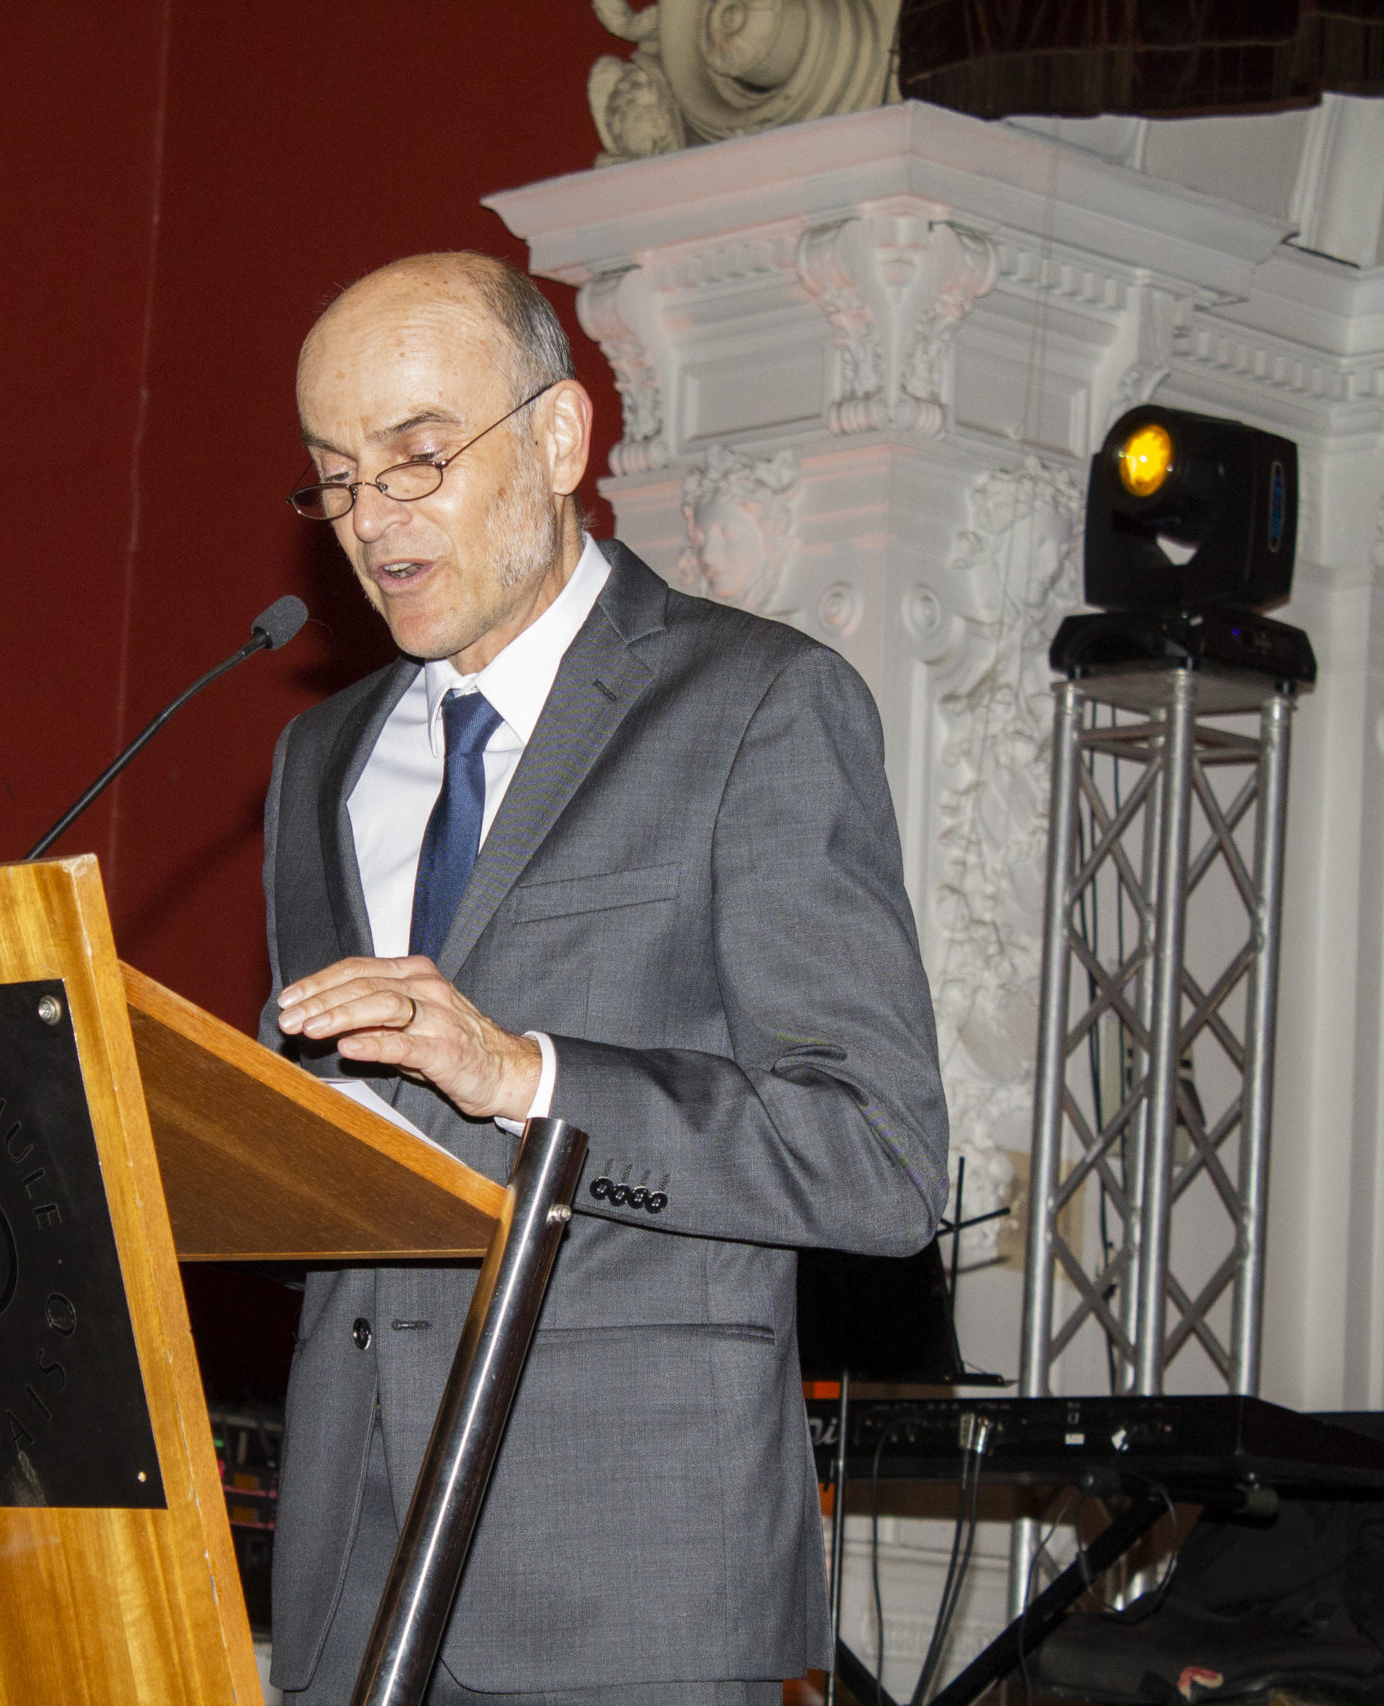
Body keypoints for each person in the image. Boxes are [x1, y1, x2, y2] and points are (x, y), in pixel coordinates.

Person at [261, 251, 949, 1704]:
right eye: (335, 478)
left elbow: (878, 1160)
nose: (372, 519)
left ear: (562, 437)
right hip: (347, 1582)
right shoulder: (319, 758)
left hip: (629, 1579)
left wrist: (530, 1077)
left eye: (417, 457)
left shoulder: (760, 705)